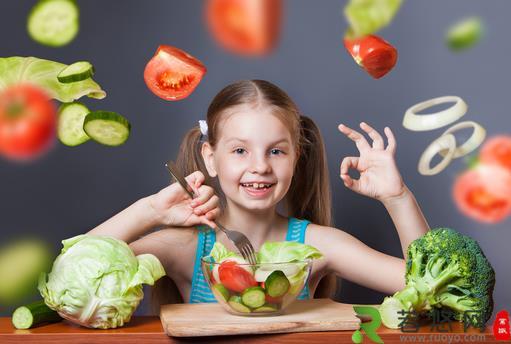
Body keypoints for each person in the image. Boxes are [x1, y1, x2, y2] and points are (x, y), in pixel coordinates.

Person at [88, 80, 429, 311]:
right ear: (211, 158)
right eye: (240, 151)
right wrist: (149, 211)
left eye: (276, 152)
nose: (260, 167)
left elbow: (432, 292)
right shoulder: (185, 248)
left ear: (297, 157)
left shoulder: (320, 246)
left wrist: (397, 198)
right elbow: (78, 274)